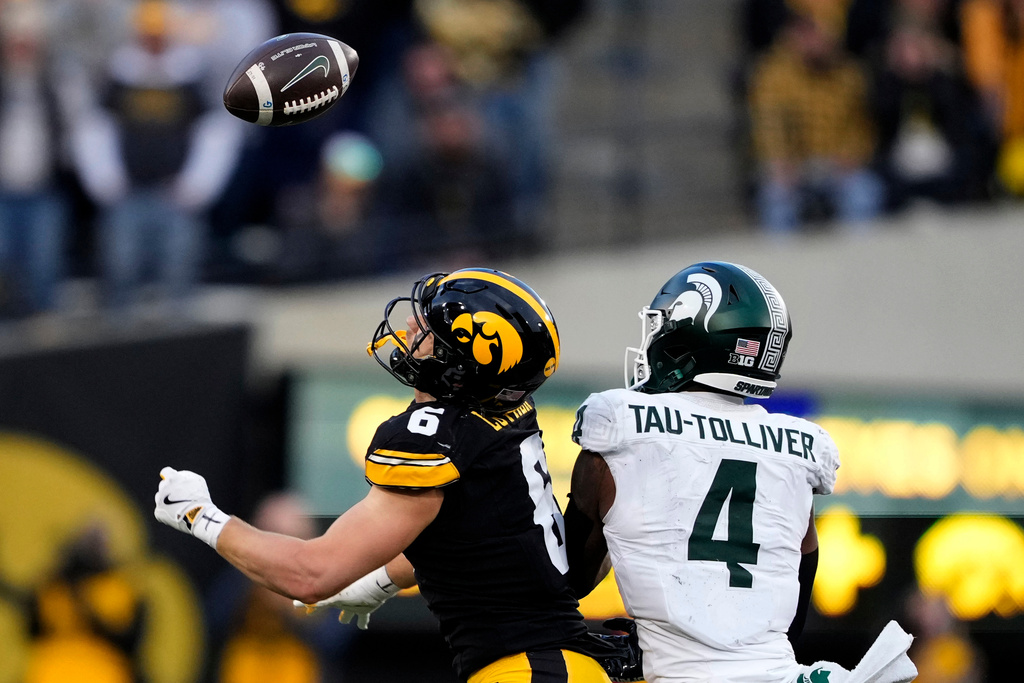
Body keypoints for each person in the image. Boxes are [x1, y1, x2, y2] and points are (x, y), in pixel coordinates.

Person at [153, 268, 617, 683]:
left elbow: (310, 574)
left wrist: (202, 517)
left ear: (464, 363)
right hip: (558, 663)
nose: (412, 330)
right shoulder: (502, 414)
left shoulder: (434, 437)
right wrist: (382, 580)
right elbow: (475, 538)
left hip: (528, 669)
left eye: (431, 330)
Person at [561, 261, 918, 683]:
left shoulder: (620, 427)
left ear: (689, 332)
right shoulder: (798, 447)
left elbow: (570, 579)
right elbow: (796, 607)